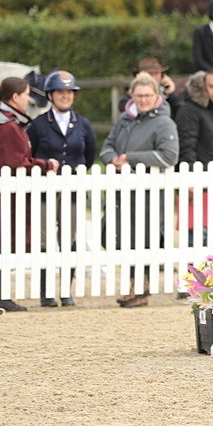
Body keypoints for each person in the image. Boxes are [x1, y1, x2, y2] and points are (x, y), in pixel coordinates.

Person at [98, 73, 179, 308]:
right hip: (121, 192)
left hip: (148, 196)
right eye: (139, 95)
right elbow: (107, 146)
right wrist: (112, 159)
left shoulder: (164, 122)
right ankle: (136, 285)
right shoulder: (124, 119)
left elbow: (169, 155)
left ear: (156, 95)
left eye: (147, 95)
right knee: (111, 236)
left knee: (142, 241)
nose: (143, 100)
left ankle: (140, 288)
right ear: (132, 96)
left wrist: (131, 158)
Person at [27, 70, 96, 307]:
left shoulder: (83, 124)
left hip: (73, 192)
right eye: (60, 92)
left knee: (71, 239)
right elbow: (32, 154)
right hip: (46, 192)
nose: (65, 96)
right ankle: (47, 292)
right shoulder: (37, 125)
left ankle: (66, 289)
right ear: (50, 95)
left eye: (69, 92)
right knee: (46, 240)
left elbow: (89, 156)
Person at [0, 77, 60, 313]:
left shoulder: (10, 123)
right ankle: (3, 296)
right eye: (25, 95)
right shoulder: (9, 126)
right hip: (9, 197)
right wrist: (45, 164)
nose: (28, 99)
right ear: (15, 97)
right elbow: (16, 163)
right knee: (5, 244)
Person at [118, 58, 185, 115]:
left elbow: (181, 113)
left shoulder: (167, 95)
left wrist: (172, 93)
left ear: (162, 75)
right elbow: (124, 107)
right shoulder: (131, 95)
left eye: (156, 73)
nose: (153, 77)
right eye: (150, 74)